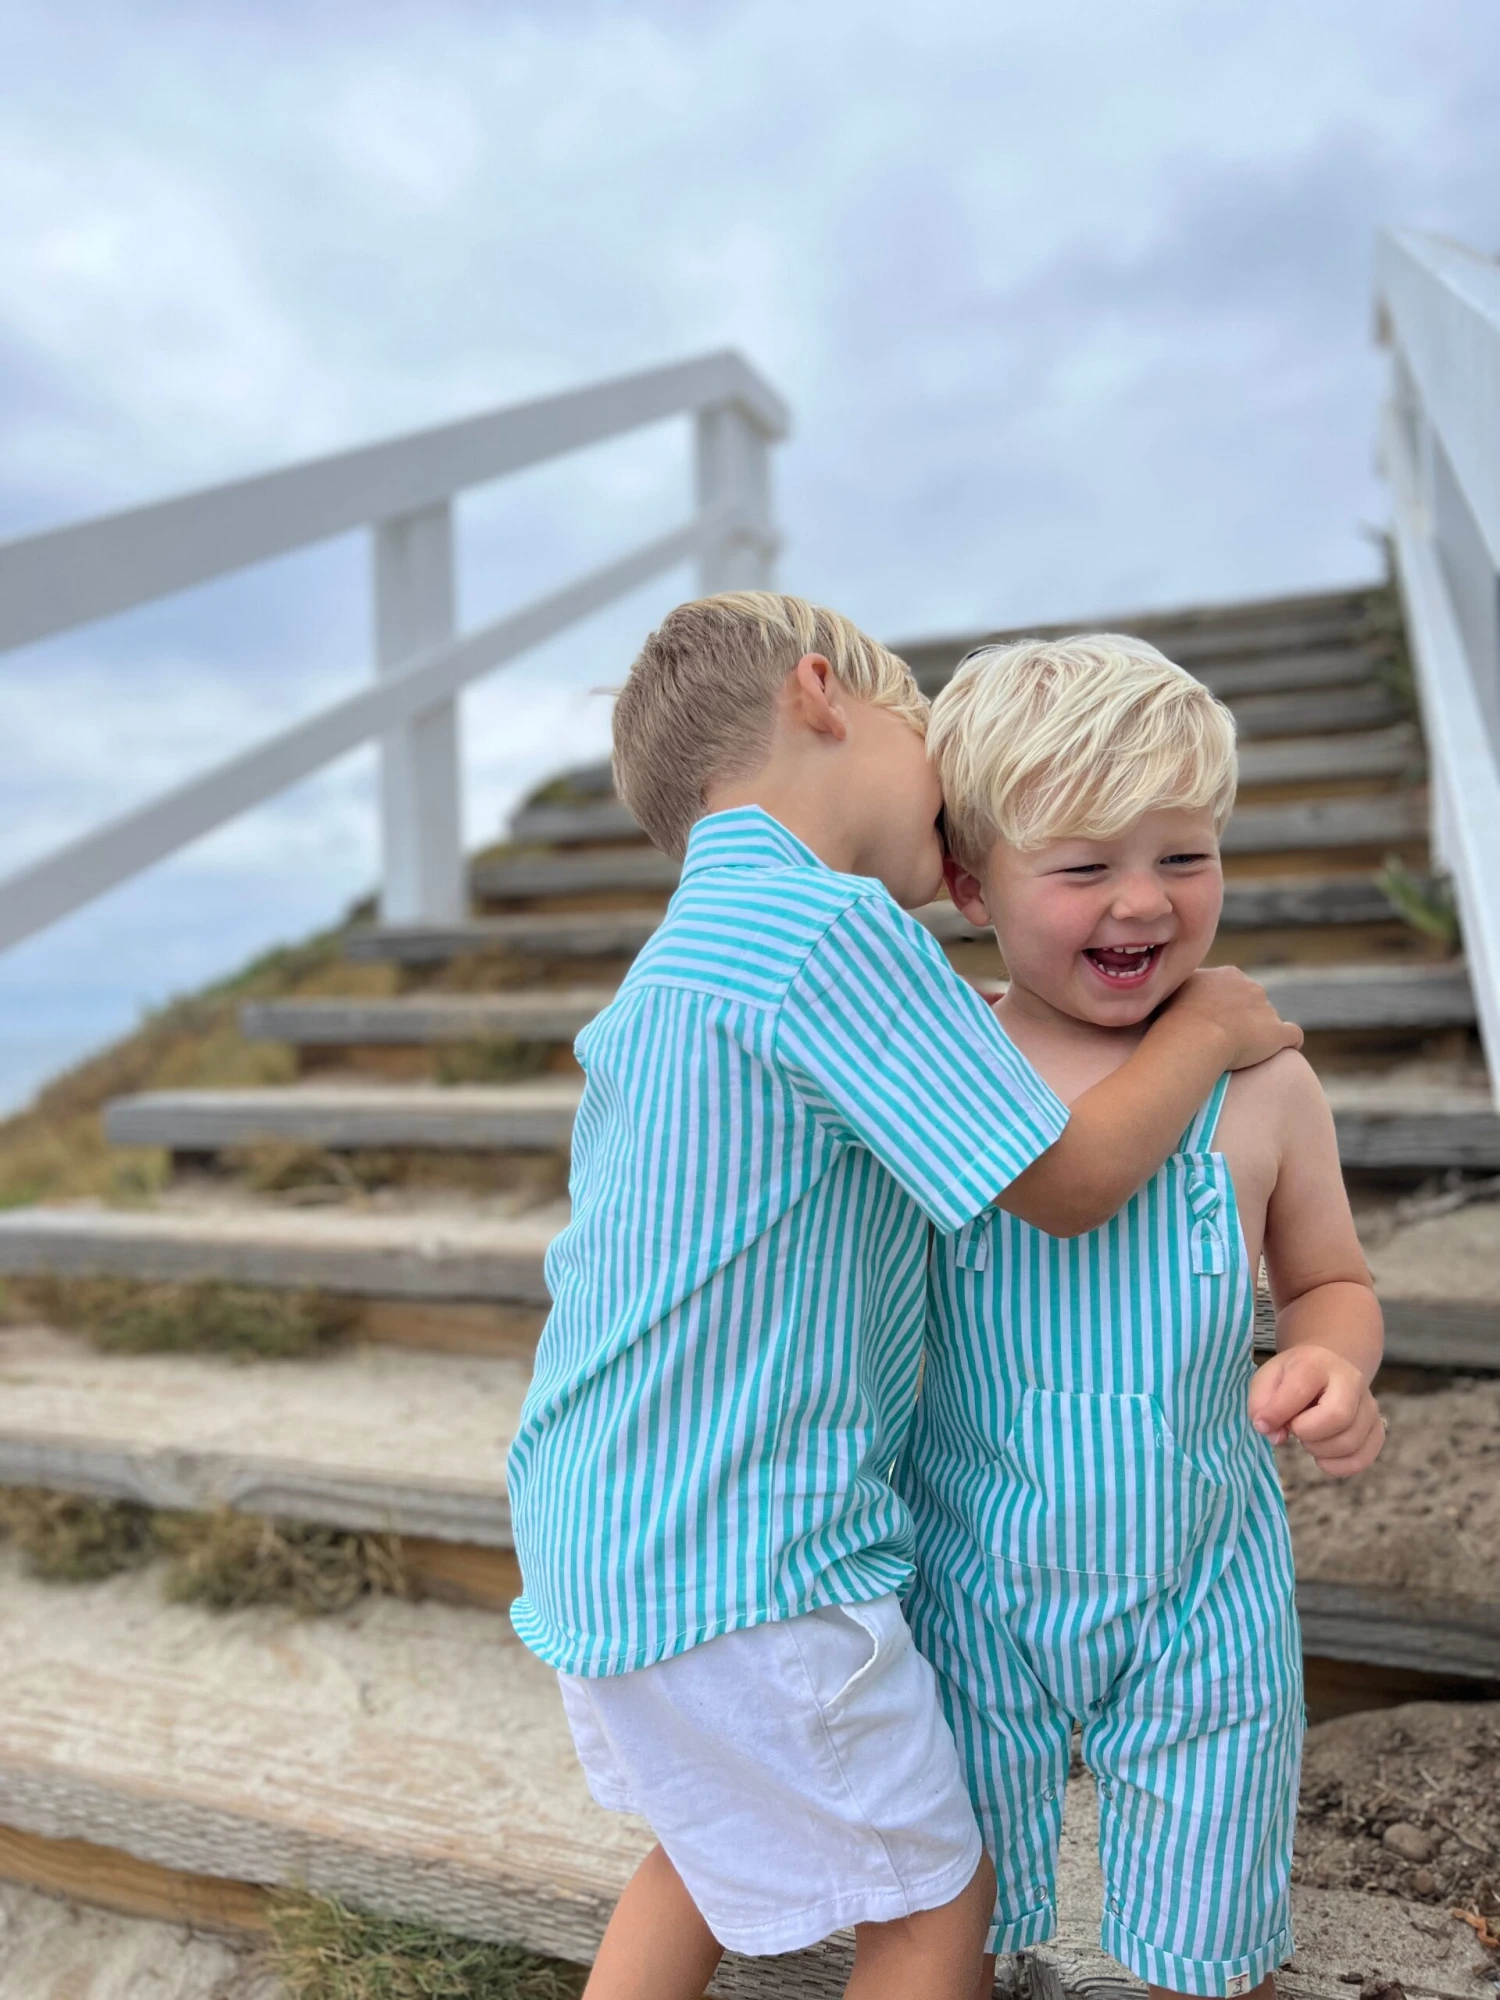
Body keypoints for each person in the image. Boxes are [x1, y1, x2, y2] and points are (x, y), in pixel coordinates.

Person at [506, 594, 1301, 2000]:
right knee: (939, 1902)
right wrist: (1209, 1029)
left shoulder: (677, 964)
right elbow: (1062, 1181)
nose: (945, 810)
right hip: (746, 1541)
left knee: (706, 1836)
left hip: (597, 1518)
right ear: (824, 696)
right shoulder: (824, 934)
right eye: (925, 741)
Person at [900, 633, 1386, 2000]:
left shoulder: (1271, 1090)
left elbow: (1331, 1280)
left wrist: (1331, 1364)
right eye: (1082, 867)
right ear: (970, 880)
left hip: (1197, 1580)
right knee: (953, 1910)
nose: (1144, 901)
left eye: (1183, 856)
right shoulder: (946, 1057)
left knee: (1210, 1916)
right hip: (967, 1571)